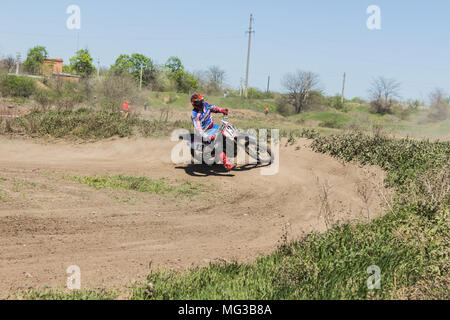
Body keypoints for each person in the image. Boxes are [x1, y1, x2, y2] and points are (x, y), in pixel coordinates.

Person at [190, 93, 235, 171]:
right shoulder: (195, 114)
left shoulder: (206, 105)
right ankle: (226, 163)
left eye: (201, 101)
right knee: (216, 144)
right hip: (204, 132)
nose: (201, 103)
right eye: (199, 102)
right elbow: (198, 129)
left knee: (227, 129)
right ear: (195, 104)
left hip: (212, 126)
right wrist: (207, 137)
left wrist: (221, 110)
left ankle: (230, 146)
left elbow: (213, 108)